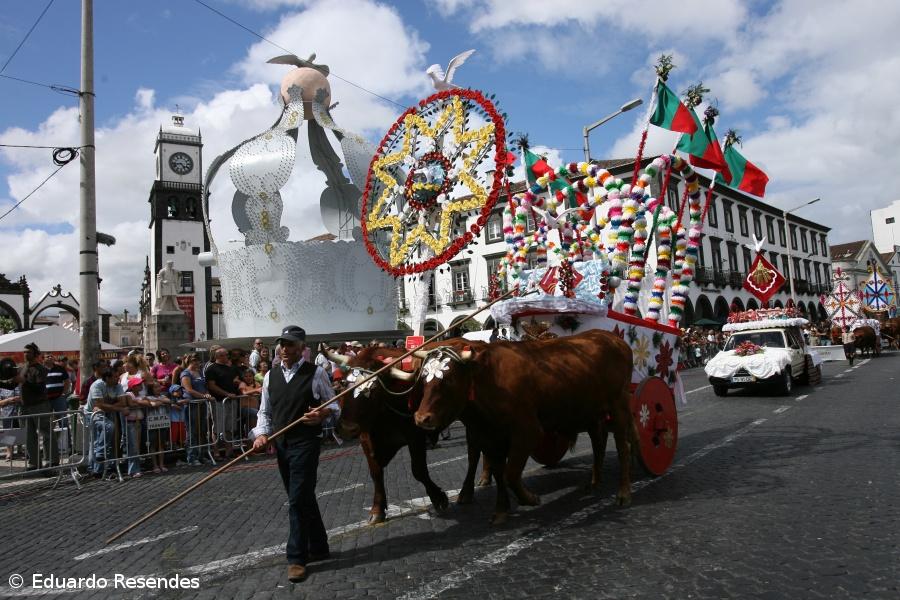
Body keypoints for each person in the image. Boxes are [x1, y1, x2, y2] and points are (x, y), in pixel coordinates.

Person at [251, 325, 338, 583]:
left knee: (297, 500)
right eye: (282, 344)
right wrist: (261, 434)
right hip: (282, 445)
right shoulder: (270, 376)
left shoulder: (316, 373)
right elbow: (264, 412)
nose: (284, 349)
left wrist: (321, 414)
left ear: (302, 348)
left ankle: (296, 558)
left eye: (290, 344)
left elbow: (334, 404)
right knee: (301, 496)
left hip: (306, 443)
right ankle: (320, 545)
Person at [0, 343, 54, 473]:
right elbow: (11, 385)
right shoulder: (22, 368)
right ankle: (34, 463)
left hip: (39, 405)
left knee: (46, 434)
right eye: (24, 352)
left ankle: (51, 462)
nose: (25, 354)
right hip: (25, 407)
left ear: (35, 354)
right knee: (29, 436)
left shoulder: (40, 369)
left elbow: (40, 388)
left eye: (28, 352)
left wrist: (24, 381)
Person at [84, 369, 131, 476]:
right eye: (115, 377)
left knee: (109, 439)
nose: (117, 379)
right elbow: (99, 404)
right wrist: (117, 408)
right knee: (106, 429)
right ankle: (96, 463)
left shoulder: (117, 386)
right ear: (107, 378)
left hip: (108, 413)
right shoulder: (97, 385)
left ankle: (99, 469)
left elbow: (122, 402)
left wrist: (110, 407)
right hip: (92, 414)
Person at [205, 347, 241, 459]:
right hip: (218, 401)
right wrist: (226, 394)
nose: (228, 357)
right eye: (226, 355)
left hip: (230, 402)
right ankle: (216, 452)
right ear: (219, 356)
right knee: (217, 427)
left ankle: (228, 451)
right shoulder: (211, 369)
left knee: (229, 427)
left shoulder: (231, 368)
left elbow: (237, 380)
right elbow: (211, 385)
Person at [181, 353, 214, 466]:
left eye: (198, 360)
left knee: (203, 431)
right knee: (192, 432)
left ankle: (202, 455)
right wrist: (203, 396)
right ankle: (192, 456)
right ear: (189, 361)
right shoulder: (185, 373)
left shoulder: (200, 372)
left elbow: (204, 388)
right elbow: (189, 390)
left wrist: (207, 394)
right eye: (194, 360)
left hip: (202, 404)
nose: (197, 363)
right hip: (192, 405)